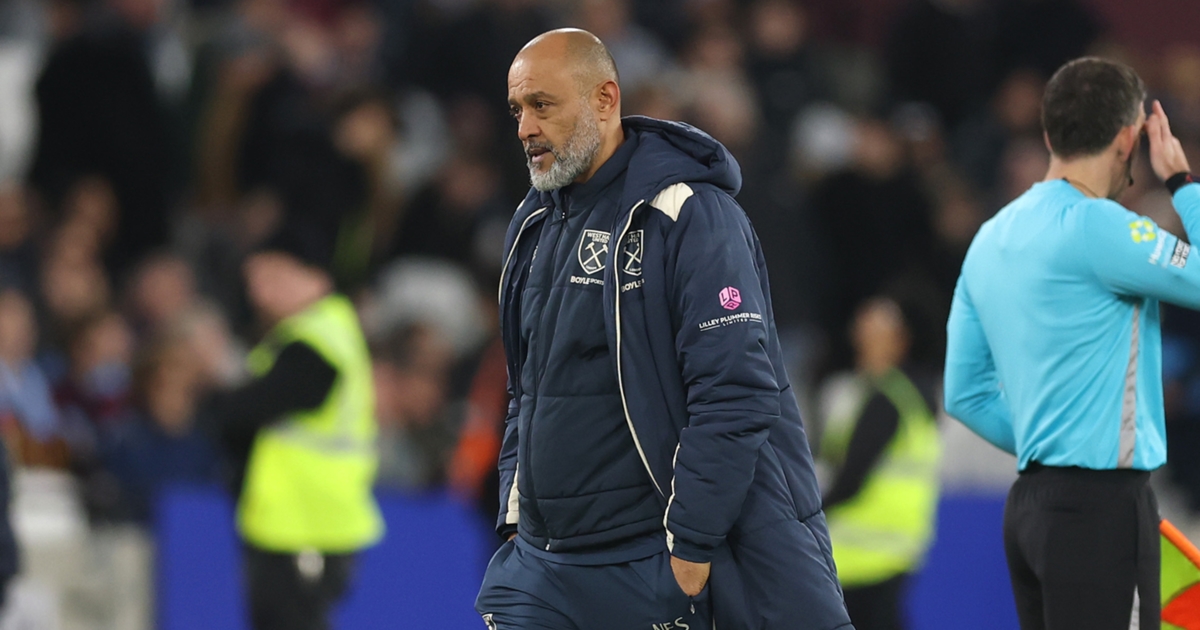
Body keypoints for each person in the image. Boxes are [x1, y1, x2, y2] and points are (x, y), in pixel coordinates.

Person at [475, 29, 852, 630]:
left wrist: (691, 545)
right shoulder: (533, 225)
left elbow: (735, 392)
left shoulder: (690, 213)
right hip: (544, 567)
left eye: (542, 105)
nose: (525, 128)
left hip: (649, 559)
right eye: (517, 109)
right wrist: (515, 512)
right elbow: (527, 389)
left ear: (605, 99)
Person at [944, 57, 1200, 629]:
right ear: (1130, 138)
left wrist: (1051, 444)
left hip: (1030, 509)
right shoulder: (1103, 226)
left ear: (1048, 135)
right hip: (1101, 511)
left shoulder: (990, 237)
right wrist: (1182, 184)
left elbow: (964, 394)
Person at [210, 227, 383, 630]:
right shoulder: (300, 334)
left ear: (315, 277)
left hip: (308, 524)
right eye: (254, 280)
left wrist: (218, 395)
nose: (260, 293)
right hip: (290, 523)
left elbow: (247, 409)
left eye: (273, 277)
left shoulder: (319, 338)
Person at [819, 288, 944, 630]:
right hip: (895, 550)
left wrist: (806, 514)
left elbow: (850, 479)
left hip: (860, 555)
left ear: (900, 341)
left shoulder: (886, 400)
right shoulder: (909, 397)